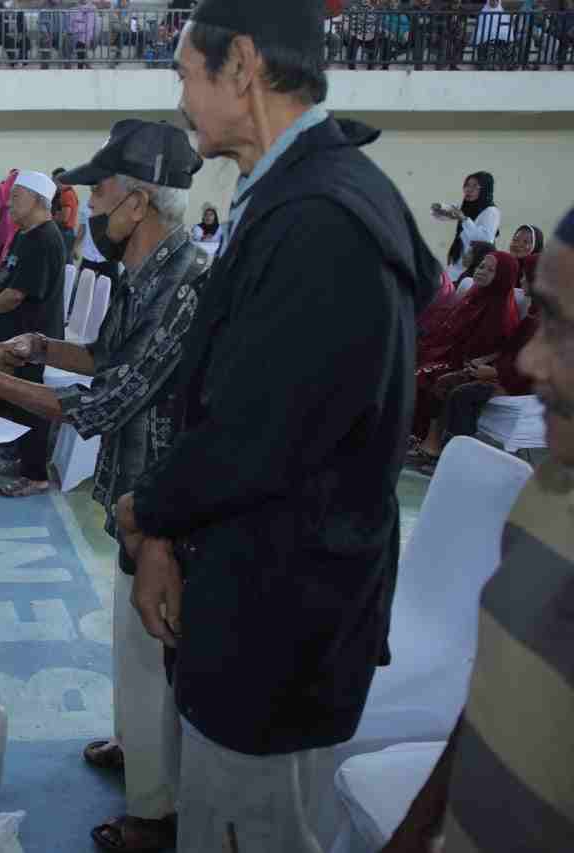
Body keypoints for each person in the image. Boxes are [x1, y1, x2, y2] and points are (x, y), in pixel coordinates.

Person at [115, 3, 442, 850]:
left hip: (284, 616)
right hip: (260, 591)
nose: (180, 95)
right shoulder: (292, 198)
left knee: (255, 829)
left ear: (244, 64)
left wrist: (149, 509)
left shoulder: (323, 221)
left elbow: (258, 433)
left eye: (187, 71)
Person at [0, 120, 208, 853]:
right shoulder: (145, 275)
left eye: (99, 193)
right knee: (134, 636)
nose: (91, 209)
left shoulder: (188, 282)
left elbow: (108, 399)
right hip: (135, 491)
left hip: (172, 500)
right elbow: (105, 357)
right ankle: (139, 746)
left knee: (165, 640)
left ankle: (159, 807)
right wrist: (37, 347)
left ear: (138, 203)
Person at [380, 206, 574, 853]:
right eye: (548, 319)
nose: (537, 361)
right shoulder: (546, 493)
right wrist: (419, 822)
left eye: (570, 333)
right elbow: (494, 687)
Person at [0, 170, 67, 497]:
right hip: (15, 336)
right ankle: (25, 460)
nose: (9, 204)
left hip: (35, 339)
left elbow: (17, 294)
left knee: (32, 404)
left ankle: (36, 474)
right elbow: (3, 276)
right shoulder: (25, 234)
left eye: (16, 198)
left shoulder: (46, 238)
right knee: (14, 399)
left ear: (38, 201)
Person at [408, 250, 520, 461]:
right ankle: (409, 434)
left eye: (490, 269)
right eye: (481, 266)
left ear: (503, 276)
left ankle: (421, 439)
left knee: (420, 377)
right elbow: (447, 328)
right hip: (446, 353)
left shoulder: (501, 310)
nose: (481, 272)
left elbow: (488, 351)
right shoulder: (475, 294)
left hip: (466, 364)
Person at [433, 171, 501, 283]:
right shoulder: (467, 207)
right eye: (467, 185)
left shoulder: (491, 211)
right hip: (458, 265)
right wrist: (439, 209)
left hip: (474, 268)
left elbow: (485, 239)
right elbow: (446, 213)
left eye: (475, 186)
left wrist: (464, 219)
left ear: (485, 189)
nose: (469, 189)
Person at [51, 167, 80, 260]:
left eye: (54, 181)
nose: (53, 183)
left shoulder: (66, 194)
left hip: (64, 232)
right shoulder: (70, 192)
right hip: (67, 232)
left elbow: (64, 217)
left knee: (63, 261)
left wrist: (49, 218)